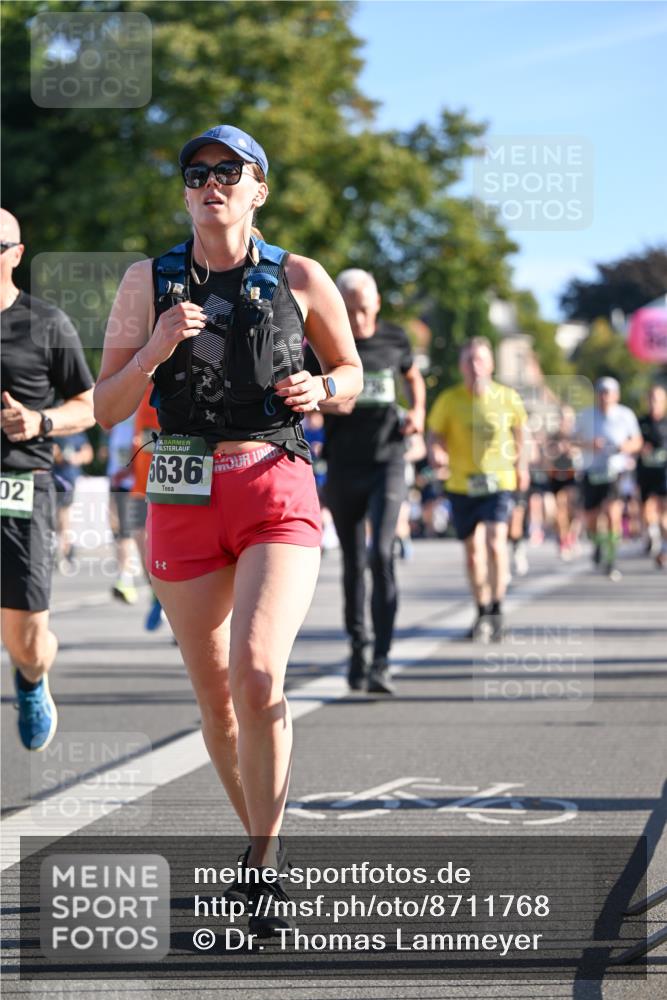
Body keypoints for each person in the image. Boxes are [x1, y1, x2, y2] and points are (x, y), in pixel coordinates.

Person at [93, 125, 362, 935]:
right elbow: (104, 404)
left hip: (273, 482)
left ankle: (265, 860)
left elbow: (353, 373)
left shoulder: (302, 275)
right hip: (179, 487)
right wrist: (154, 350)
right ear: (185, 191)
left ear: (259, 188)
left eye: (228, 171)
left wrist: (324, 388)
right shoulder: (150, 279)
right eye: (195, 172)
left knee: (254, 671)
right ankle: (259, 839)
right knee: (215, 699)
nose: (210, 182)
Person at [305, 269, 426, 695]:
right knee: (354, 562)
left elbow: (412, 377)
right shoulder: (325, 341)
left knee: (382, 555)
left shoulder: (395, 338)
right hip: (344, 465)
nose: (356, 318)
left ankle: (382, 660)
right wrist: (333, 400)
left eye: (363, 308)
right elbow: (311, 396)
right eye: (348, 308)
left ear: (376, 304)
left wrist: (418, 415)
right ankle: (358, 647)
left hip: (387, 461)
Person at [0, 208, 95, 750]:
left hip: (19, 485)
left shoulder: (46, 322)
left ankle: (32, 677)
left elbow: (90, 405)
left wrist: (41, 421)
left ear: (16, 254)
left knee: (28, 640)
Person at [427, 337, 529, 642]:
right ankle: (481, 609)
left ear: (491, 364)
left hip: (499, 481)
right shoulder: (449, 399)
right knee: (473, 554)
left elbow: (522, 435)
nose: (475, 366)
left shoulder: (508, 398)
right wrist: (436, 453)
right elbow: (434, 435)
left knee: (496, 544)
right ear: (461, 367)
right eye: (469, 360)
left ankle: (497, 609)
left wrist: (522, 466)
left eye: (481, 360)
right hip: (461, 483)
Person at [575, 376, 642, 581]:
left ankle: (611, 559)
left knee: (613, 514)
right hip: (591, 471)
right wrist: (589, 444)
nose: (605, 397)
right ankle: (597, 543)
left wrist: (625, 447)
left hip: (615, 471)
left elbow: (637, 441)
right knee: (592, 518)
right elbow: (572, 440)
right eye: (602, 392)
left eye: (609, 392)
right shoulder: (586, 415)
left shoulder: (625, 415)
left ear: (616, 395)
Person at [106, 414, 141, 604]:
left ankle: (126, 579)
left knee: (128, 533)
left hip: (131, 481)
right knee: (119, 531)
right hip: (116, 476)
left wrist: (129, 468)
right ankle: (124, 577)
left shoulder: (141, 402)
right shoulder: (117, 406)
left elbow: (142, 438)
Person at [52, 431, 94, 571]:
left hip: (69, 480)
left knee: (64, 516)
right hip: (53, 479)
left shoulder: (78, 431)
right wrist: (60, 456)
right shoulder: (54, 429)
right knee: (54, 516)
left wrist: (76, 458)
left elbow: (88, 453)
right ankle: (58, 548)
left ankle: (63, 550)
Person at [637, 383, 667, 568]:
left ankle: (663, 548)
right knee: (647, 512)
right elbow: (631, 443)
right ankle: (654, 537)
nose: (655, 403)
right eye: (652, 399)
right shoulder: (641, 423)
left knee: (665, 514)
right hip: (646, 473)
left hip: (664, 473)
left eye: (658, 399)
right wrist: (640, 448)